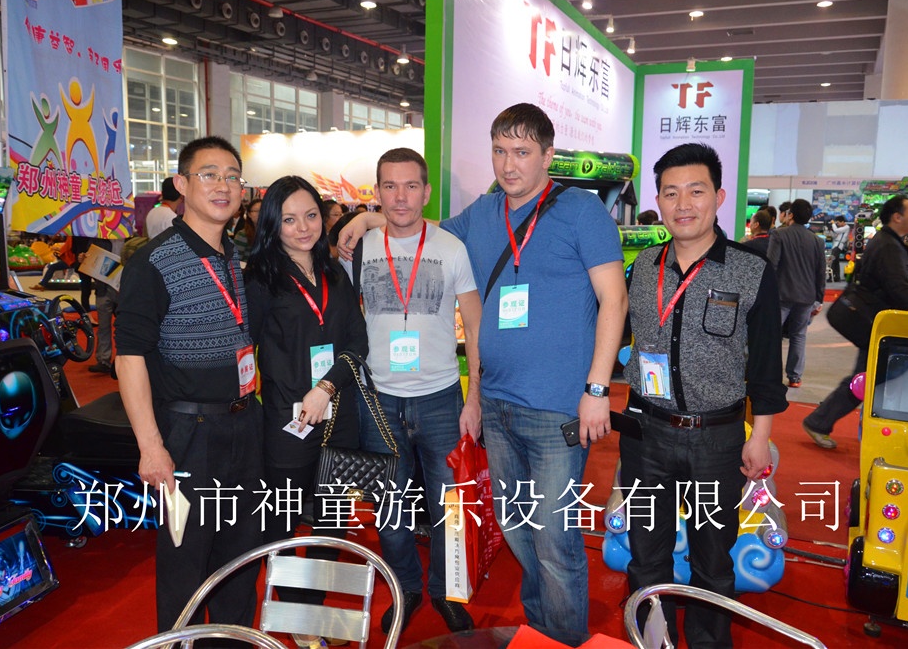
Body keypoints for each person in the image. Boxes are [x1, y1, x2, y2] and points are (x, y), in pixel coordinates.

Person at [337, 103, 628, 645]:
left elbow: (615, 299)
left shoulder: (581, 210)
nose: (509, 164)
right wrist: (370, 218)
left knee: (555, 536)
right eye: (499, 150)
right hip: (495, 403)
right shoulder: (485, 212)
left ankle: (563, 638)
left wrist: (596, 388)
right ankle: (540, 628)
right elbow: (422, 229)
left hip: (558, 406)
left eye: (522, 151)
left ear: (547, 155)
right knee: (516, 526)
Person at [620, 142, 788, 649]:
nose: (683, 204)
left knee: (713, 559)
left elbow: (766, 365)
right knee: (646, 555)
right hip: (646, 434)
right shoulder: (643, 266)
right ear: (658, 200)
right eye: (671, 193)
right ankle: (653, 641)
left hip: (716, 439)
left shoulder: (750, 270)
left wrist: (759, 437)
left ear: (718, 196)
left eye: (696, 191)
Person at [114, 135, 263, 633]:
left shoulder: (231, 255)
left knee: (240, 560)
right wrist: (150, 447)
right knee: (186, 564)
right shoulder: (153, 261)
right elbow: (129, 357)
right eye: (209, 174)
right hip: (188, 434)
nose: (223, 185)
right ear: (181, 184)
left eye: (232, 176)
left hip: (243, 425)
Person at [339, 147, 482, 634]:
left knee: (448, 505)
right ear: (377, 193)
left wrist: (474, 397)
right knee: (389, 506)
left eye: (411, 186)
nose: (400, 197)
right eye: (390, 186)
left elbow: (475, 325)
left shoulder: (451, 248)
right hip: (377, 399)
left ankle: (445, 590)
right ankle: (404, 587)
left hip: (441, 396)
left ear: (426, 191)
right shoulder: (359, 248)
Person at [245, 175, 368, 649]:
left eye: (311, 216)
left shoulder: (335, 272)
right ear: (272, 225)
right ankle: (295, 614)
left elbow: (357, 342)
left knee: (331, 522)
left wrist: (326, 387)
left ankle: (311, 612)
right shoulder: (260, 277)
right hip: (287, 421)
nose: (303, 228)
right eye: (290, 219)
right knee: (280, 522)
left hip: (338, 414)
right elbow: (244, 348)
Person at [803, 194, 908, 448]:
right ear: (897, 217)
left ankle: (821, 421)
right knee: (866, 380)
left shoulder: (888, 242)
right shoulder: (888, 246)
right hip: (875, 324)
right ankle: (819, 421)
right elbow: (899, 287)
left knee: (867, 378)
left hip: (875, 323)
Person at [767, 198, 826, 388]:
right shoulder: (817, 241)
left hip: (781, 295)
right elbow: (821, 272)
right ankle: (795, 377)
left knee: (772, 335)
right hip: (806, 296)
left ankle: (770, 375)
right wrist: (819, 298)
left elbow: (771, 265)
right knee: (799, 336)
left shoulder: (779, 235)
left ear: (790, 214)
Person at [88, 238, 124, 375]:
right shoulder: (98, 240)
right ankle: (103, 360)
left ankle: (124, 360)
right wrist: (83, 259)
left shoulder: (132, 240)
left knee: (125, 327)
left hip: (125, 288)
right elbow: (89, 261)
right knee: (103, 326)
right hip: (103, 288)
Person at [829, 215, 850, 281]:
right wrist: (831, 228)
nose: (837, 224)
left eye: (838, 223)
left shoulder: (846, 227)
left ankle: (830, 277)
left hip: (838, 246)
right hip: (836, 245)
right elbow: (834, 235)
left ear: (842, 222)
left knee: (832, 261)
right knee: (836, 262)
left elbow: (836, 230)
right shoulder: (842, 228)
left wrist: (833, 224)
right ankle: (837, 277)